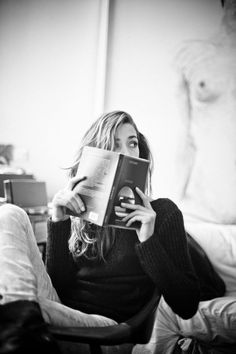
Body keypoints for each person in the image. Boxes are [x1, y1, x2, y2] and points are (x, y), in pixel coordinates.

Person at [0, 111, 225, 353]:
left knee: (26, 310)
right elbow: (59, 285)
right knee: (10, 212)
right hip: (61, 312)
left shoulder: (163, 213)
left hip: (108, 330)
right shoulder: (81, 212)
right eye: (114, 145)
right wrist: (59, 220)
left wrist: (148, 240)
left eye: (132, 143)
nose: (127, 153)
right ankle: (17, 338)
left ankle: (17, 338)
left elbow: (187, 305)